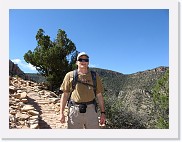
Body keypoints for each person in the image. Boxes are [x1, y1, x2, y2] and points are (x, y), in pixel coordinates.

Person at [59, 52, 106, 129]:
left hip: (91, 111)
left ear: (88, 62)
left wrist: (103, 113)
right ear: (77, 62)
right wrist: (61, 113)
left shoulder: (94, 76)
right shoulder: (69, 75)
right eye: (81, 60)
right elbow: (65, 95)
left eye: (85, 60)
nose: (83, 62)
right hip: (74, 111)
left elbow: (99, 95)